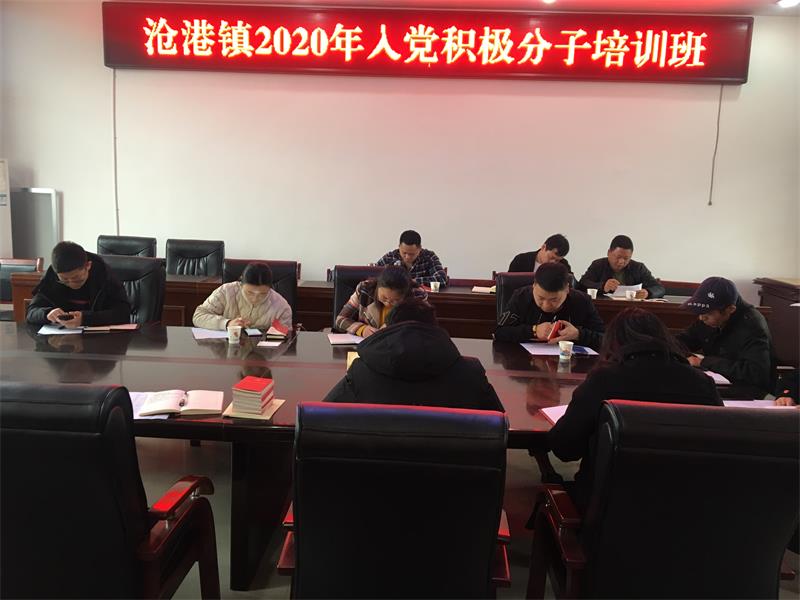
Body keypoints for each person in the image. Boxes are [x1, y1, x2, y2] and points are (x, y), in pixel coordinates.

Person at [547, 307, 723, 511]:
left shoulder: (605, 380)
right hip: (689, 506)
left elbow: (565, 449)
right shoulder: (702, 383)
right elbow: (720, 445)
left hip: (609, 507)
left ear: (613, 342)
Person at [325, 298, 502, 411]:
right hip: (451, 460)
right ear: (434, 329)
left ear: (388, 329)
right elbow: (501, 425)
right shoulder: (470, 373)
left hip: (377, 459)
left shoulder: (361, 371)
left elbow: (323, 418)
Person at [677, 277, 775, 396]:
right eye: (700, 313)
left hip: (749, 394)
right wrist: (685, 356)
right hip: (717, 384)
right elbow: (679, 341)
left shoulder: (753, 326)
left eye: (708, 314)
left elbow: (755, 373)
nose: (701, 318)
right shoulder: (708, 318)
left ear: (730, 309)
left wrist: (704, 362)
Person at [495, 262, 604, 350]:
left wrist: (578, 334)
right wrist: (533, 330)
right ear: (534, 286)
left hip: (569, 362)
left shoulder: (582, 301)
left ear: (567, 289)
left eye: (554, 300)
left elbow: (605, 339)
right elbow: (500, 332)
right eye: (541, 298)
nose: (546, 306)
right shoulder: (521, 297)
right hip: (525, 361)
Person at [26, 241, 130, 327]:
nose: (71, 283)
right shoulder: (52, 275)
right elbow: (31, 312)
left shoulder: (104, 274)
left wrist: (85, 319)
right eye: (64, 280)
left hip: (99, 339)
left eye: (76, 279)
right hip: (61, 338)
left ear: (88, 266)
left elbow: (123, 314)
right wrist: (47, 314)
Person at [192, 262, 292, 330]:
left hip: (263, 353)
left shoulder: (281, 306)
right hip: (226, 350)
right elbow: (198, 316)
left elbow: (285, 339)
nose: (255, 298)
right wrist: (227, 323)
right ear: (241, 283)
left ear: (270, 288)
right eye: (249, 292)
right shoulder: (225, 292)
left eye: (262, 294)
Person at [335, 265, 427, 337]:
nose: (388, 303)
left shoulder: (417, 296)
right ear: (377, 287)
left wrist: (395, 328)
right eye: (384, 298)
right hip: (365, 346)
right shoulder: (365, 290)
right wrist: (362, 329)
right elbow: (340, 319)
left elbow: (424, 329)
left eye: (395, 300)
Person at [578, 234, 665, 298]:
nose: (621, 262)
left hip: (632, 308)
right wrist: (602, 286)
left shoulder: (638, 268)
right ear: (609, 252)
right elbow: (582, 284)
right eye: (618, 257)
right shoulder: (598, 265)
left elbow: (659, 288)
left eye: (626, 258)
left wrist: (648, 292)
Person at [375, 230, 447, 287]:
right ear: (399, 247)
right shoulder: (389, 258)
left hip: (422, 298)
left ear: (420, 248)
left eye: (411, 254)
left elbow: (441, 279)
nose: (407, 257)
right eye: (404, 253)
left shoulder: (429, 257)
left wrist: (413, 281)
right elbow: (373, 277)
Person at [508, 233, 572, 275]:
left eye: (557, 260)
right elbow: (508, 284)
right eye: (551, 257)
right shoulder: (521, 260)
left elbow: (572, 285)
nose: (553, 262)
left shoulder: (563, 265)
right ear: (543, 247)